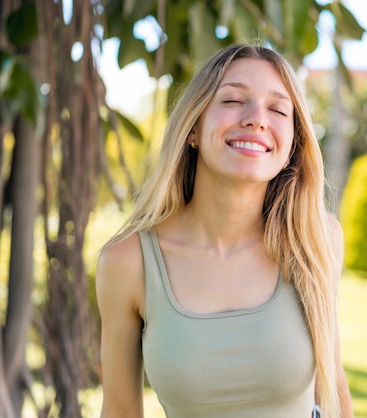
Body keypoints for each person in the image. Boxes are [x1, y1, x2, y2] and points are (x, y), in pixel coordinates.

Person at [96, 43, 353, 418]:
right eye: (233, 100)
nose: (256, 119)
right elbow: (119, 411)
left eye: (278, 109)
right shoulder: (128, 262)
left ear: (291, 148)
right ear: (194, 128)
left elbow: (334, 390)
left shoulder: (317, 239)